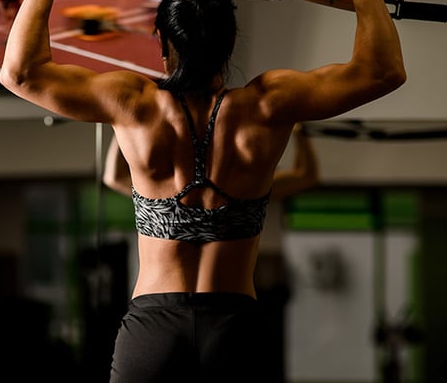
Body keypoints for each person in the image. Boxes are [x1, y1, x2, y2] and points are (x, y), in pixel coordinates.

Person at [0, 0, 406, 383]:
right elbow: (382, 71)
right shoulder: (268, 105)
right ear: (231, 43)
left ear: (161, 42)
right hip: (234, 328)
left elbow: (20, 74)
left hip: (153, 327)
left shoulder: (134, 104)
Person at [102, 122, 319, 382]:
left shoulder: (160, 180)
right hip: (225, 312)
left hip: (172, 316)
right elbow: (307, 174)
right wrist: (299, 132)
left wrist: (122, 125)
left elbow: (113, 177)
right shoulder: (249, 181)